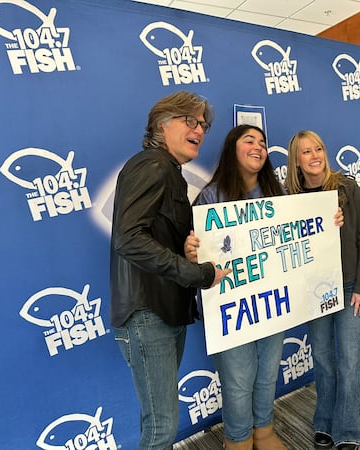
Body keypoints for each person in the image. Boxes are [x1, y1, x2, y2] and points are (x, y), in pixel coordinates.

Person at [109, 91, 231, 450]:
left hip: (164, 313)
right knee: (162, 427)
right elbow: (129, 239)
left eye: (203, 125)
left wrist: (187, 251)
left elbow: (153, 238)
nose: (199, 130)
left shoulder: (171, 173)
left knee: (158, 422)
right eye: (189, 121)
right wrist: (199, 274)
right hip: (148, 315)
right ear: (162, 126)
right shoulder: (152, 165)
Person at [186, 124, 287, 450]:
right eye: (249, 140)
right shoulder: (211, 196)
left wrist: (329, 222)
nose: (258, 146)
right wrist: (191, 252)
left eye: (262, 142)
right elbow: (195, 253)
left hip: (272, 303)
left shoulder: (277, 194)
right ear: (233, 149)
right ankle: (239, 440)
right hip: (231, 310)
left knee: (267, 374)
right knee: (238, 382)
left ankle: (264, 431)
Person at [285, 130, 360, 450]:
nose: (315, 156)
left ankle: (348, 428)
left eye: (319, 148)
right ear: (296, 159)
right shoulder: (290, 198)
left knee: (349, 359)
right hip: (315, 290)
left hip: (350, 286)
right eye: (306, 152)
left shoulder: (346, 187)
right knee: (322, 358)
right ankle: (324, 421)